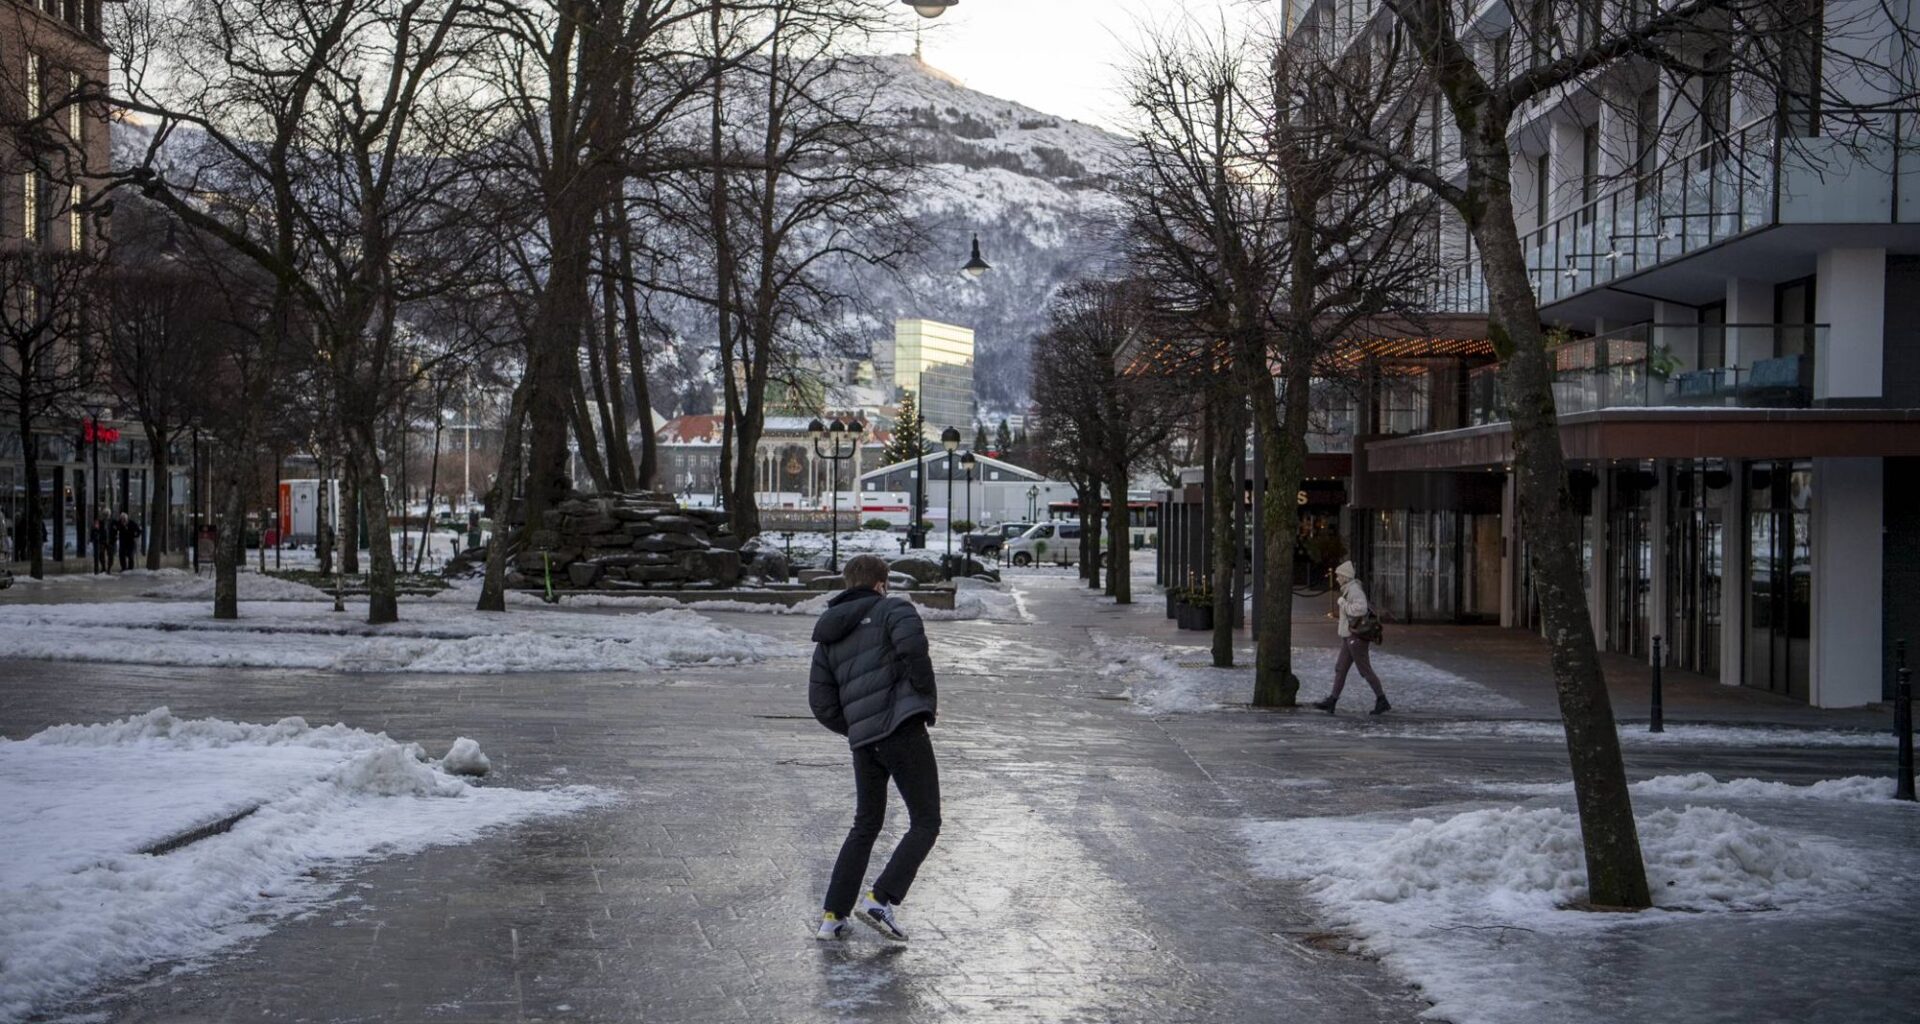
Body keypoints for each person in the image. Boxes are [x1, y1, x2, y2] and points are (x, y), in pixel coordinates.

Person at [807, 554, 940, 943]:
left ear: (848, 584)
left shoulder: (828, 632)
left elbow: (821, 703)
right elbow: (914, 650)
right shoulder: (893, 609)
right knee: (926, 820)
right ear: (882, 583)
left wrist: (857, 726)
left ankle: (832, 916)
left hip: (865, 741)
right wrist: (922, 700)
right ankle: (880, 898)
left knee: (865, 824)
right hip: (902, 729)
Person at [1313, 560, 1391, 716]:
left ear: (1345, 577)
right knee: (1340, 668)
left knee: (1365, 670)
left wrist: (1343, 604)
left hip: (1356, 637)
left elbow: (1360, 609)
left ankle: (1382, 700)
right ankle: (1332, 701)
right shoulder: (1349, 589)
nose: (1336, 579)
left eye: (1338, 576)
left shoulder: (1354, 590)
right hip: (1349, 636)